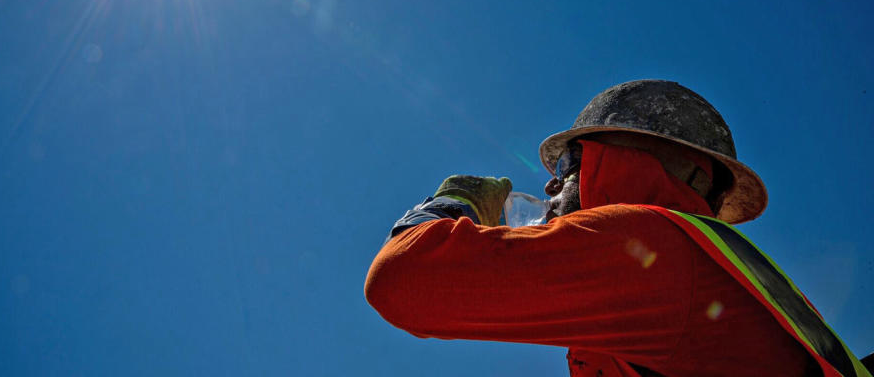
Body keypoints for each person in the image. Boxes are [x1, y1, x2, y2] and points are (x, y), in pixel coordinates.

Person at [364, 80, 872, 377]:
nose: (548, 191)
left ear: (618, 161)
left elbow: (404, 282)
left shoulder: (649, 248)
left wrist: (455, 202)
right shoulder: (703, 272)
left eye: (564, 168)